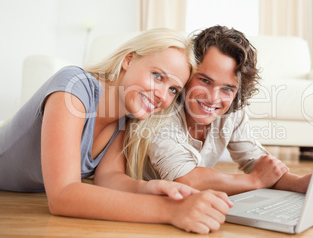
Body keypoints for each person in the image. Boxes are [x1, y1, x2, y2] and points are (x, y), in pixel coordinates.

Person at [0, 28, 232, 235]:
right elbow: (62, 196)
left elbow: (108, 178)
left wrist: (150, 189)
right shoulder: (74, 87)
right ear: (128, 60)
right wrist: (171, 210)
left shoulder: (124, 117)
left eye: (173, 89)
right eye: (157, 76)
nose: (163, 95)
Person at [126, 25, 313, 202]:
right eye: (205, 81)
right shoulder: (162, 113)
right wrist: (254, 181)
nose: (213, 97)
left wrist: (301, 183)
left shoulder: (230, 113)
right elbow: (186, 178)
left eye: (227, 88)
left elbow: (256, 162)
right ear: (188, 75)